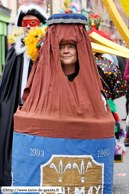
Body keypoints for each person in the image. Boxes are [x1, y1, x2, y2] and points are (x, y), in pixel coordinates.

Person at [12, 13, 115, 193]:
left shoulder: (91, 82)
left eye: (71, 46)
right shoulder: (43, 82)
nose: (66, 51)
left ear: (79, 49)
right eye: (61, 47)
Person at [0, 4, 47, 186]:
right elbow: (8, 80)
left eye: (33, 22)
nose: (28, 26)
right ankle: (10, 176)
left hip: (38, 102)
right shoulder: (15, 48)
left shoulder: (45, 47)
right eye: (25, 23)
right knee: (11, 136)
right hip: (14, 102)